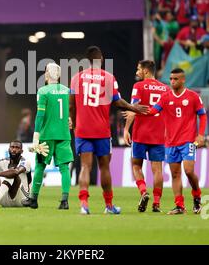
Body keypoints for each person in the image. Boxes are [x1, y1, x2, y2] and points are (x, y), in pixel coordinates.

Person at [69, 46, 149, 215]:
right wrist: (133, 108)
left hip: (82, 130)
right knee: (104, 168)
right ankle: (109, 205)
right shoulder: (108, 78)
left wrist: (76, 125)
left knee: (85, 166)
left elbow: (71, 105)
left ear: (88, 60)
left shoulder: (76, 78)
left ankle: (84, 205)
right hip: (102, 131)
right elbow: (117, 102)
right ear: (101, 59)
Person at [149, 68, 207, 214]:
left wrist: (200, 135)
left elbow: (203, 115)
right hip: (170, 142)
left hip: (188, 141)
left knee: (188, 171)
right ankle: (180, 206)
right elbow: (152, 111)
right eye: (171, 79)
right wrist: (135, 110)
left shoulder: (193, 96)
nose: (172, 81)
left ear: (183, 80)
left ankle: (197, 196)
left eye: (175, 79)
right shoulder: (165, 97)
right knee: (175, 174)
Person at [22, 63, 74, 210]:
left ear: (47, 74)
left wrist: (35, 138)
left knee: (40, 166)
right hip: (64, 134)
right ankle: (64, 201)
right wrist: (69, 119)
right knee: (64, 168)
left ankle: (33, 199)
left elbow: (40, 115)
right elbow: (68, 110)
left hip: (47, 134)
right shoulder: (66, 90)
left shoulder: (43, 91)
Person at [123, 60, 168, 213]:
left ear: (146, 71)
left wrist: (126, 129)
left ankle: (144, 192)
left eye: (138, 69)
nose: (137, 72)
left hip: (141, 133)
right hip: (158, 135)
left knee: (136, 165)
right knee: (157, 170)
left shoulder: (138, 86)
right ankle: (156, 203)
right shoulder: (165, 88)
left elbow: (134, 109)